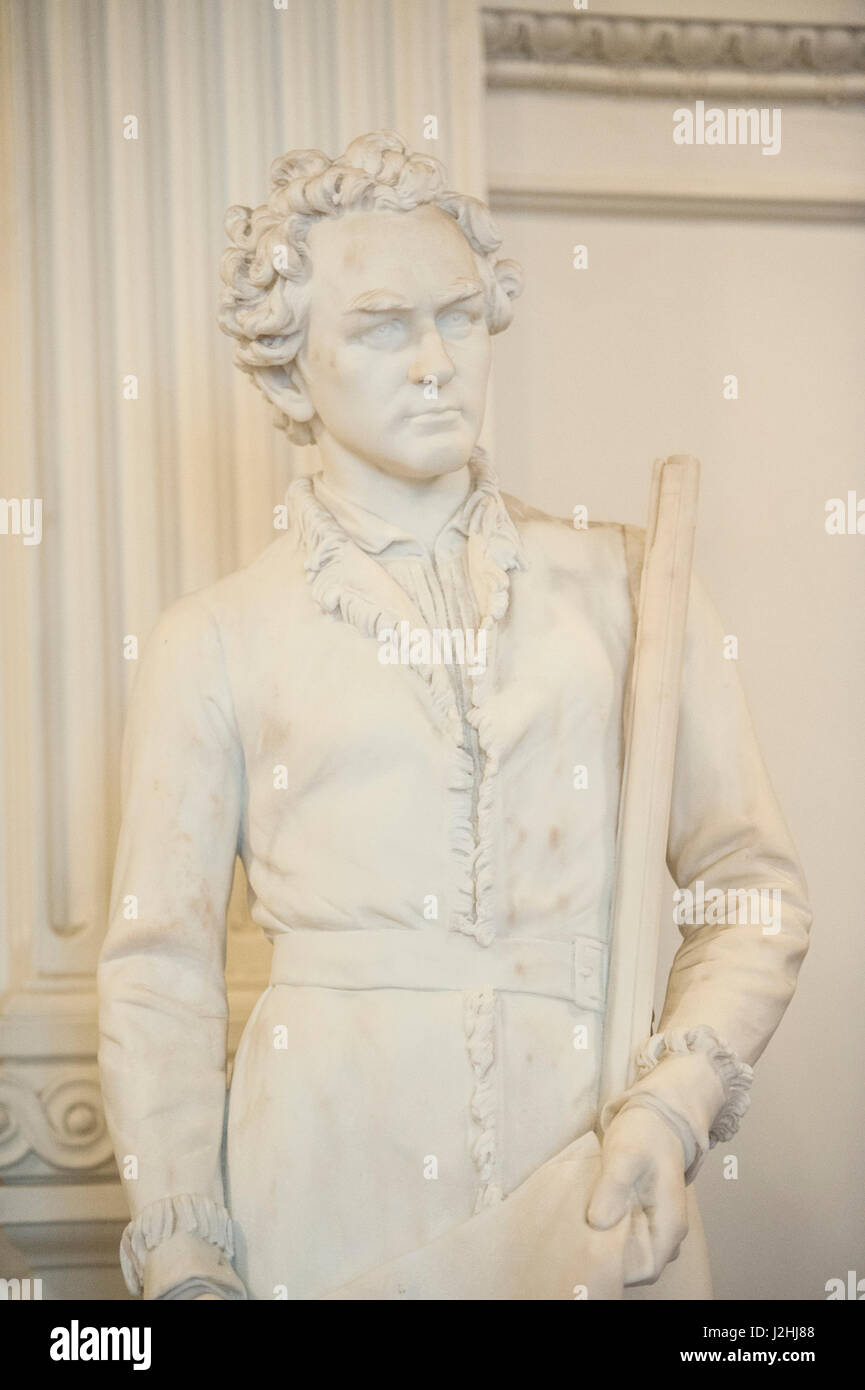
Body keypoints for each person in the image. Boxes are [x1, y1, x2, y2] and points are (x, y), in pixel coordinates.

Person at [97, 131, 811, 1300]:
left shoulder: (633, 585)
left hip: (591, 1168)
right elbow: (157, 972)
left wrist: (672, 1107)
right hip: (324, 1189)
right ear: (288, 368)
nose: (436, 361)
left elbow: (752, 886)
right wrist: (182, 1252)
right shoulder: (214, 639)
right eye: (383, 326)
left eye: (461, 318)